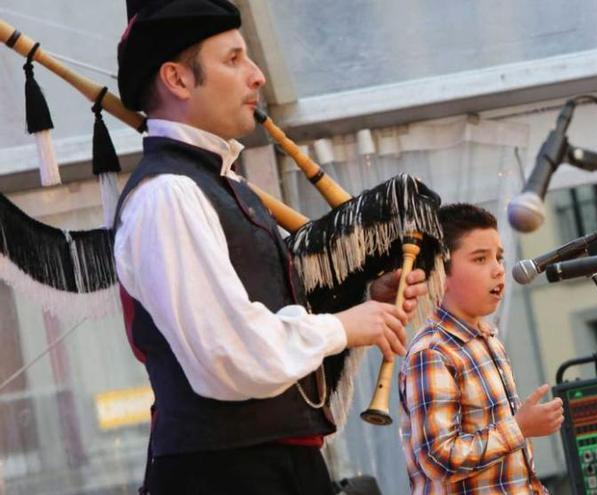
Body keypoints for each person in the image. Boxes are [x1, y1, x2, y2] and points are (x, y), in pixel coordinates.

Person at [112, 1, 427, 493]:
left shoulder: (218, 183)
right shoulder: (169, 195)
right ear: (177, 79)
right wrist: (343, 327)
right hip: (224, 474)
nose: (257, 76)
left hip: (267, 466)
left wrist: (364, 307)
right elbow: (229, 357)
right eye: (234, 59)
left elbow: (257, 320)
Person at [398, 203, 564, 494]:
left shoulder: (489, 339)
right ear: (440, 272)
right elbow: (438, 459)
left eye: (499, 257)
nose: (498, 270)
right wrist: (519, 428)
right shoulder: (432, 352)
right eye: (480, 259)